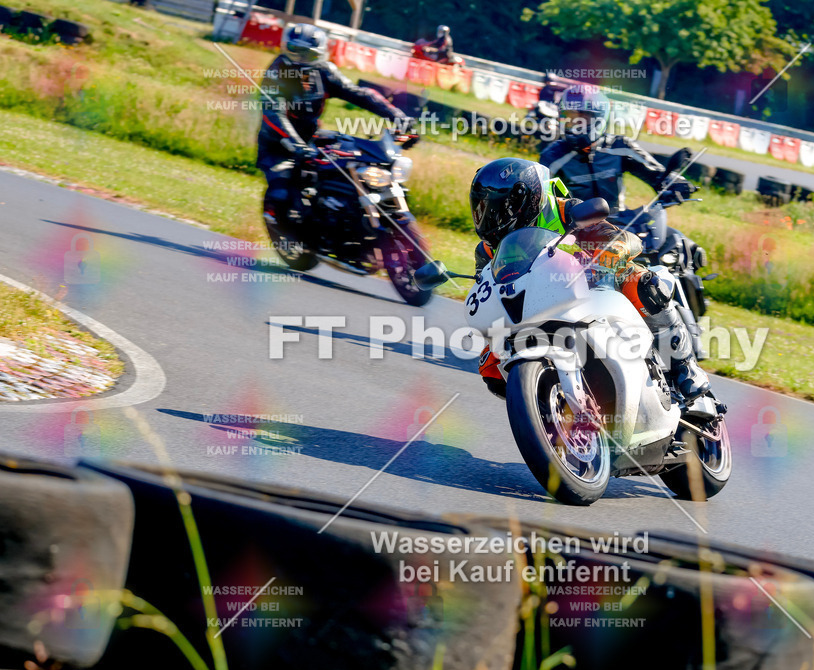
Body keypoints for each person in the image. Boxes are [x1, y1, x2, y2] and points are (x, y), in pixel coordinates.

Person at [469, 158, 710, 403]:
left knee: (641, 281)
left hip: (592, 285)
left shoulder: (564, 211)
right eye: (482, 209)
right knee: (489, 364)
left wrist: (607, 258)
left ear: (525, 200)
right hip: (534, 301)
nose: (489, 217)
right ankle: (548, 410)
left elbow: (622, 237)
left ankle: (684, 365)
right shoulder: (486, 251)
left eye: (499, 208)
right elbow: (488, 287)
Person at [257, 23, 410, 246]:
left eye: (306, 53)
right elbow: (273, 114)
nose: (299, 57)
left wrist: (397, 115)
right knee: (282, 190)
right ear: (284, 47)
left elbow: (359, 94)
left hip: (312, 137)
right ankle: (291, 235)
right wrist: (296, 145)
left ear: (318, 54)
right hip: (278, 144)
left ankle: (350, 219)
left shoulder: (324, 71)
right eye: (293, 49)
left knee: (351, 162)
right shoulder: (276, 73)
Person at [539, 84, 694, 214]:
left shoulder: (620, 147)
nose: (575, 124)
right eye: (570, 118)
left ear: (599, 118)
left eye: (582, 119)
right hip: (571, 232)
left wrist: (675, 183)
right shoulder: (552, 157)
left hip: (620, 228)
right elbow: (541, 199)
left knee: (677, 242)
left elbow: (657, 175)